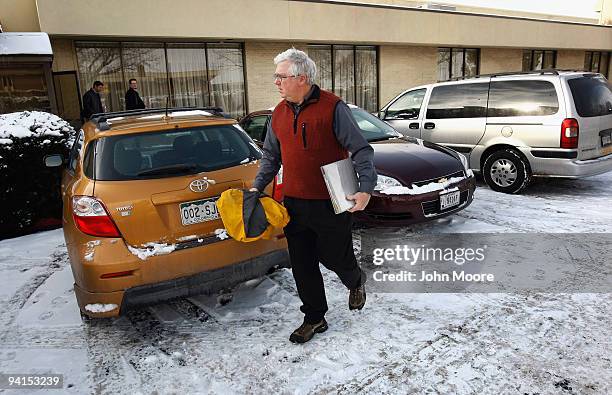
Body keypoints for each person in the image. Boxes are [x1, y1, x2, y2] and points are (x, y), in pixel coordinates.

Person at [251, 48, 377, 344]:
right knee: (303, 264)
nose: (276, 82)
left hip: (332, 200)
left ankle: (355, 280)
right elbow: (271, 155)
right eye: (276, 77)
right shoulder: (278, 113)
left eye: (281, 76)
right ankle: (314, 317)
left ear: (302, 78)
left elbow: (361, 150)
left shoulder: (333, 108)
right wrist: (258, 186)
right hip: (294, 203)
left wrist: (366, 188)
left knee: (336, 256)